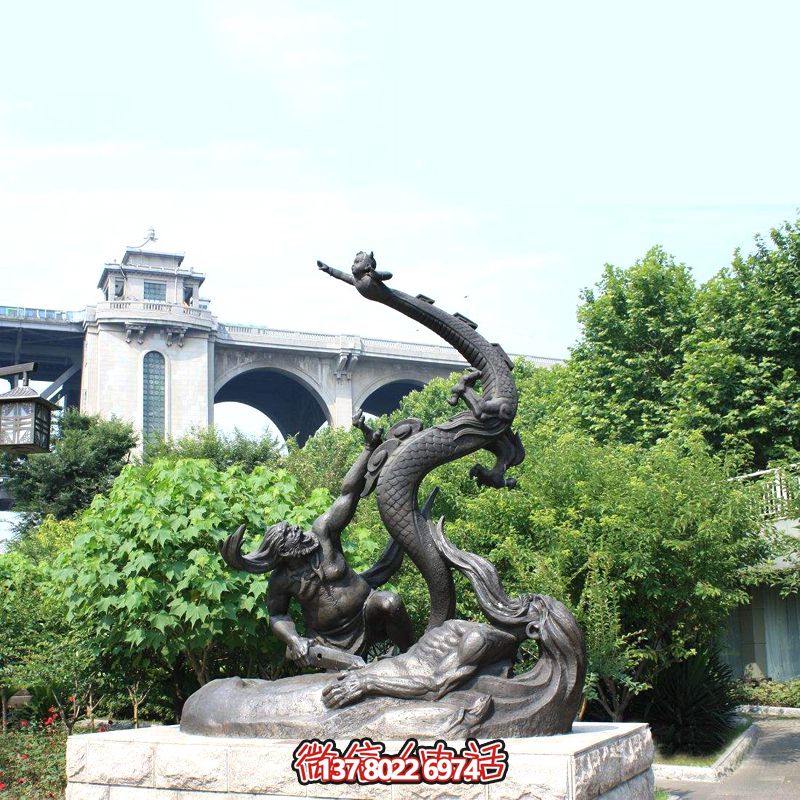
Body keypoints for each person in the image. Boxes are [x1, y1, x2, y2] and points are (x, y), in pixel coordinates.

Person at [220, 411, 414, 667]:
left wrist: (368, 449)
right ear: (285, 552)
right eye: (292, 533)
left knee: (390, 602)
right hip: (327, 641)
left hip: (367, 613)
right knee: (314, 661)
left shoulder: (322, 532)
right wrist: (293, 640)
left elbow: (347, 493)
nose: (299, 531)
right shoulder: (282, 580)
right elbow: (277, 615)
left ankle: (412, 658)